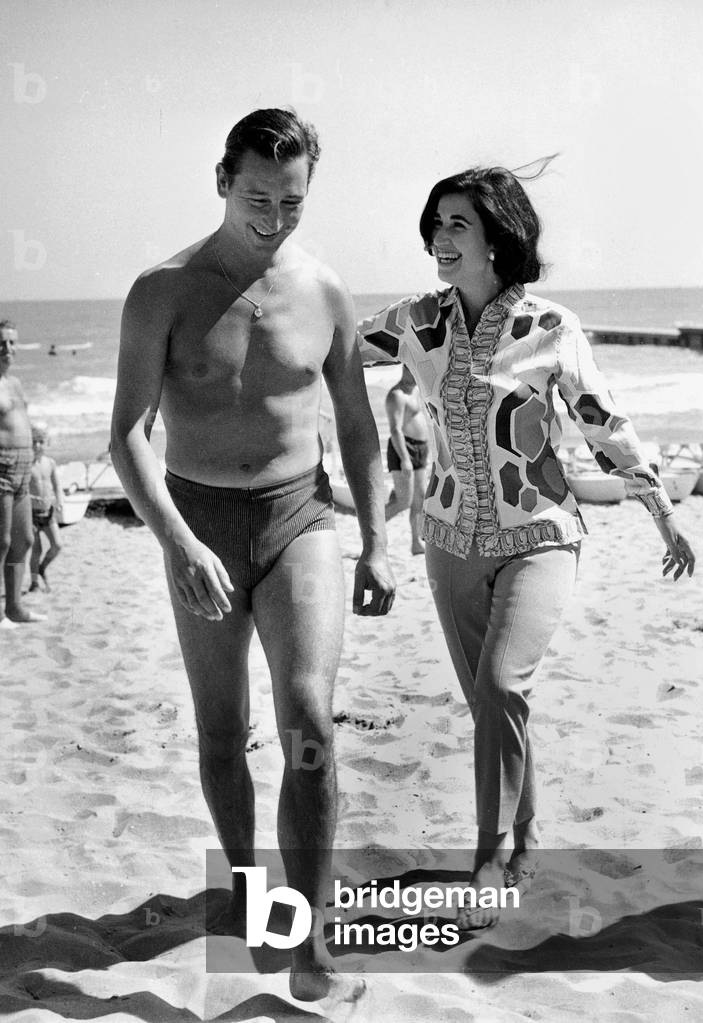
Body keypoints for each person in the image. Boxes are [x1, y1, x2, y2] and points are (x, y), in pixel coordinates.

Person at [357, 164, 695, 929]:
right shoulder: (415, 321)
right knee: (491, 703)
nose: (439, 238)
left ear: (496, 239)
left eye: (457, 225)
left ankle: (488, 856)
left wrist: (660, 508)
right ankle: (529, 836)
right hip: (449, 538)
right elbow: (329, 345)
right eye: (436, 222)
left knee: (503, 685)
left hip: (541, 534)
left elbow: (601, 420)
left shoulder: (549, 327)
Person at [110, 108, 395, 1002]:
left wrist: (381, 540)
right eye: (258, 198)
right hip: (197, 521)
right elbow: (125, 435)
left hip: (298, 517)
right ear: (223, 179)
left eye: (293, 202)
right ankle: (246, 883)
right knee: (220, 730)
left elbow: (357, 426)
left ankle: (311, 942)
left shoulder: (325, 292)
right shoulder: (162, 291)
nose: (274, 218)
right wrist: (178, 539)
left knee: (308, 716)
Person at [0, 320, 46, 629]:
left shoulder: (14, 383)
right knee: (1, 542)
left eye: (12, 343)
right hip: (1, 467)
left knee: (25, 538)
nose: (8, 349)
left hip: (23, 466)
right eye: (2, 343)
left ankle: (15, 607)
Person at [384, 366, 429, 554]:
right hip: (404, 449)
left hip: (420, 448)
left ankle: (416, 542)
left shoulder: (417, 390)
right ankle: (371, 529)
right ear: (406, 368)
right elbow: (395, 429)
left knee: (420, 497)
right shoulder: (397, 394)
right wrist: (405, 459)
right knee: (404, 501)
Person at [29, 425, 63, 592]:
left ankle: (43, 567)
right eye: (34, 442)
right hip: (31, 515)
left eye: (40, 442)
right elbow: (20, 489)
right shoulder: (27, 465)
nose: (37, 446)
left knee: (57, 545)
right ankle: (34, 582)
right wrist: (29, 498)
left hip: (48, 512)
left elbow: (57, 486)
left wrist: (60, 501)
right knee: (36, 550)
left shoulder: (50, 463)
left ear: (46, 443)